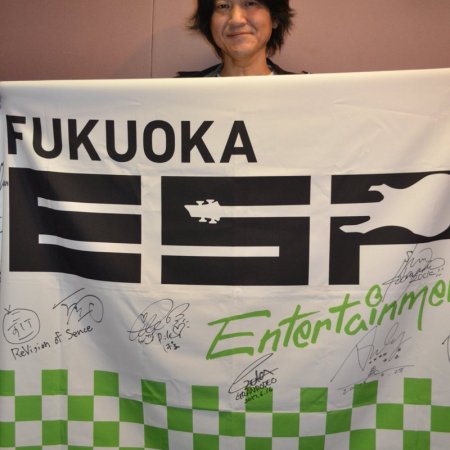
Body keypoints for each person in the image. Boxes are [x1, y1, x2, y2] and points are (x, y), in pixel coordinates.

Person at [177, 0, 304, 77]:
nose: (236, 20)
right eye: (223, 6)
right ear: (209, 22)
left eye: (250, 3)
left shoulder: (305, 92)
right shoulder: (181, 94)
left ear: (275, 18)